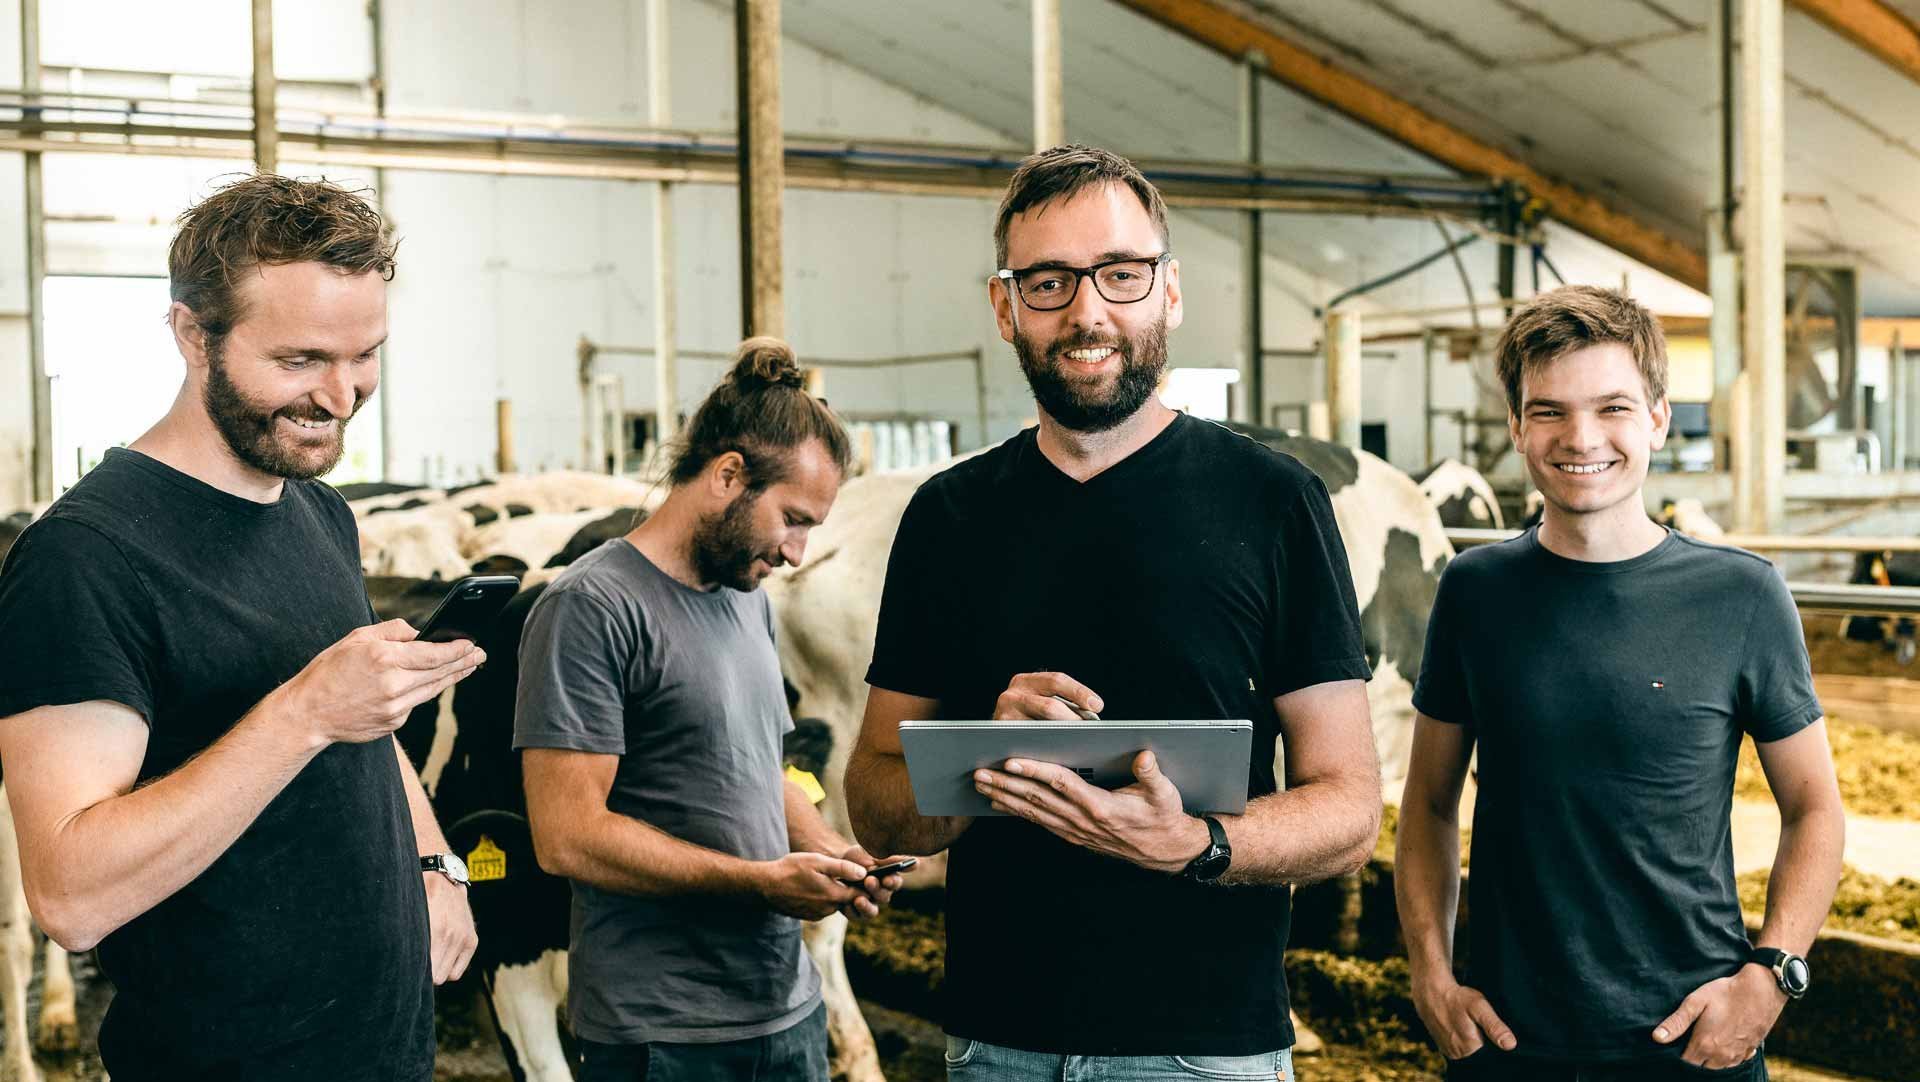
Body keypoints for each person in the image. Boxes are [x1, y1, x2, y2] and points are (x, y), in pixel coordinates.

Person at [844, 144, 1383, 1079]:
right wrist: (979, 757)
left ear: (1168, 292)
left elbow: (1349, 810)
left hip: (1209, 1050)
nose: (1088, 311)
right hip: (996, 1044)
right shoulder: (947, 518)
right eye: (1048, 281)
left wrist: (1196, 844)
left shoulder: (1274, 503)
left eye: (1120, 275)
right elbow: (877, 810)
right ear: (1004, 306)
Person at [0, 174, 480, 1080]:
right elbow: (69, 894)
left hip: (384, 1048)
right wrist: (300, 714)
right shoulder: (83, 559)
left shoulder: (319, 512)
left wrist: (433, 863)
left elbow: (365, 729)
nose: (341, 396)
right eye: (299, 361)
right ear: (191, 336)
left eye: (365, 355)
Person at [1395, 285, 1846, 1081]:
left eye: (1613, 408)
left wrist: (1772, 976)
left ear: (1658, 420)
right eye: (1549, 411)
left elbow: (1814, 808)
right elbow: (1429, 802)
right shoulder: (1474, 590)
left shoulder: (1743, 595)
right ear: (1516, 425)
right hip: (1505, 1040)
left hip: (1691, 1038)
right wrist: (1430, 975)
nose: (1582, 438)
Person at [515, 338, 908, 1082]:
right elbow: (567, 835)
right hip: (662, 1033)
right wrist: (760, 882)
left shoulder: (747, 602)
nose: (796, 553)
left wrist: (833, 852)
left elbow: (765, 774)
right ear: (728, 475)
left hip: (786, 1006)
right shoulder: (591, 607)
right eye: (792, 518)